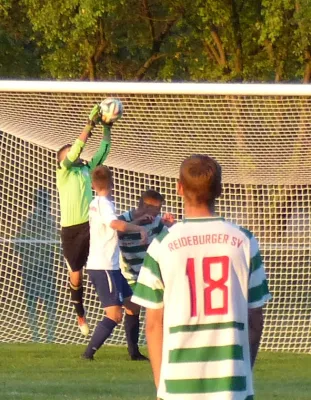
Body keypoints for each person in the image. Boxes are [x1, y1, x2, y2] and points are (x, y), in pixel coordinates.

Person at [132, 154, 272, 400]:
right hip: (232, 382)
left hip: (177, 384)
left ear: (179, 188)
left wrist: (161, 383)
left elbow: (154, 324)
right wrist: (243, 370)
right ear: (219, 190)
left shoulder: (162, 244)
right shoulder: (245, 241)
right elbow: (255, 319)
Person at [82, 165, 148, 360]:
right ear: (112, 183)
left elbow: (111, 222)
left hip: (110, 267)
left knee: (132, 305)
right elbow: (114, 224)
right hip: (104, 267)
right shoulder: (105, 204)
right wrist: (140, 229)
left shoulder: (96, 203)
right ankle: (88, 355)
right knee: (114, 315)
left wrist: (136, 220)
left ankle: (134, 353)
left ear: (93, 185)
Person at [56, 104, 112, 336]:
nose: (75, 154)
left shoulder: (87, 169)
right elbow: (75, 151)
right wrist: (88, 125)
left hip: (90, 225)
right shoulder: (64, 171)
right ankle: (80, 313)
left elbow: (103, 151)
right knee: (76, 275)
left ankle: (112, 305)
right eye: (70, 152)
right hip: (71, 230)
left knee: (103, 262)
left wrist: (106, 128)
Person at [118, 189, 174, 360]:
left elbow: (172, 237)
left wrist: (171, 226)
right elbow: (113, 232)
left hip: (149, 273)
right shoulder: (124, 220)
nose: (157, 213)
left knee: (159, 310)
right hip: (127, 272)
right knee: (132, 309)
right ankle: (133, 352)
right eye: (155, 209)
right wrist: (137, 223)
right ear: (144, 206)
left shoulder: (157, 223)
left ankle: (164, 349)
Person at [13, 187, 58, 342]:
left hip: (38, 267)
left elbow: (17, 245)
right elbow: (17, 244)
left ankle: (43, 337)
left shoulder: (35, 221)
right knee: (40, 302)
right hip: (35, 267)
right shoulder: (34, 222)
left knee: (46, 302)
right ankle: (41, 337)